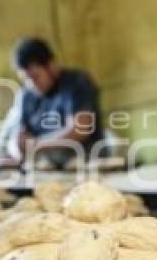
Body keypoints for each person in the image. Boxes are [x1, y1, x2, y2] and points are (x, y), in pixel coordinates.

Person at [10, 37, 104, 167]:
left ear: (51, 66)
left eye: (36, 76)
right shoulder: (26, 96)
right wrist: (18, 147)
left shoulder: (77, 83)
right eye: (26, 79)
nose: (32, 84)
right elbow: (19, 137)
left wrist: (37, 145)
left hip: (84, 159)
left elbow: (79, 130)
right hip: (45, 164)